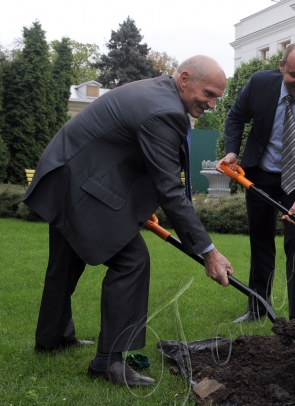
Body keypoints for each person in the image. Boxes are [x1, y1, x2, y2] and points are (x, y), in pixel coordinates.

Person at [24, 56, 234, 388]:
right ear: (184, 79)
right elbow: (169, 188)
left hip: (68, 173)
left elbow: (130, 158)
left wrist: (134, 207)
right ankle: (108, 363)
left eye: (216, 98)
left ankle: (52, 337)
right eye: (208, 94)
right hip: (78, 180)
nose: (210, 103)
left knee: (66, 261)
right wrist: (209, 252)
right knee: (132, 261)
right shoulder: (164, 110)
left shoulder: (159, 94)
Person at [219, 43, 295, 323]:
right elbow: (236, 117)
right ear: (281, 67)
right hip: (260, 175)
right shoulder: (260, 84)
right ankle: (258, 308)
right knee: (260, 242)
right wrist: (233, 151)